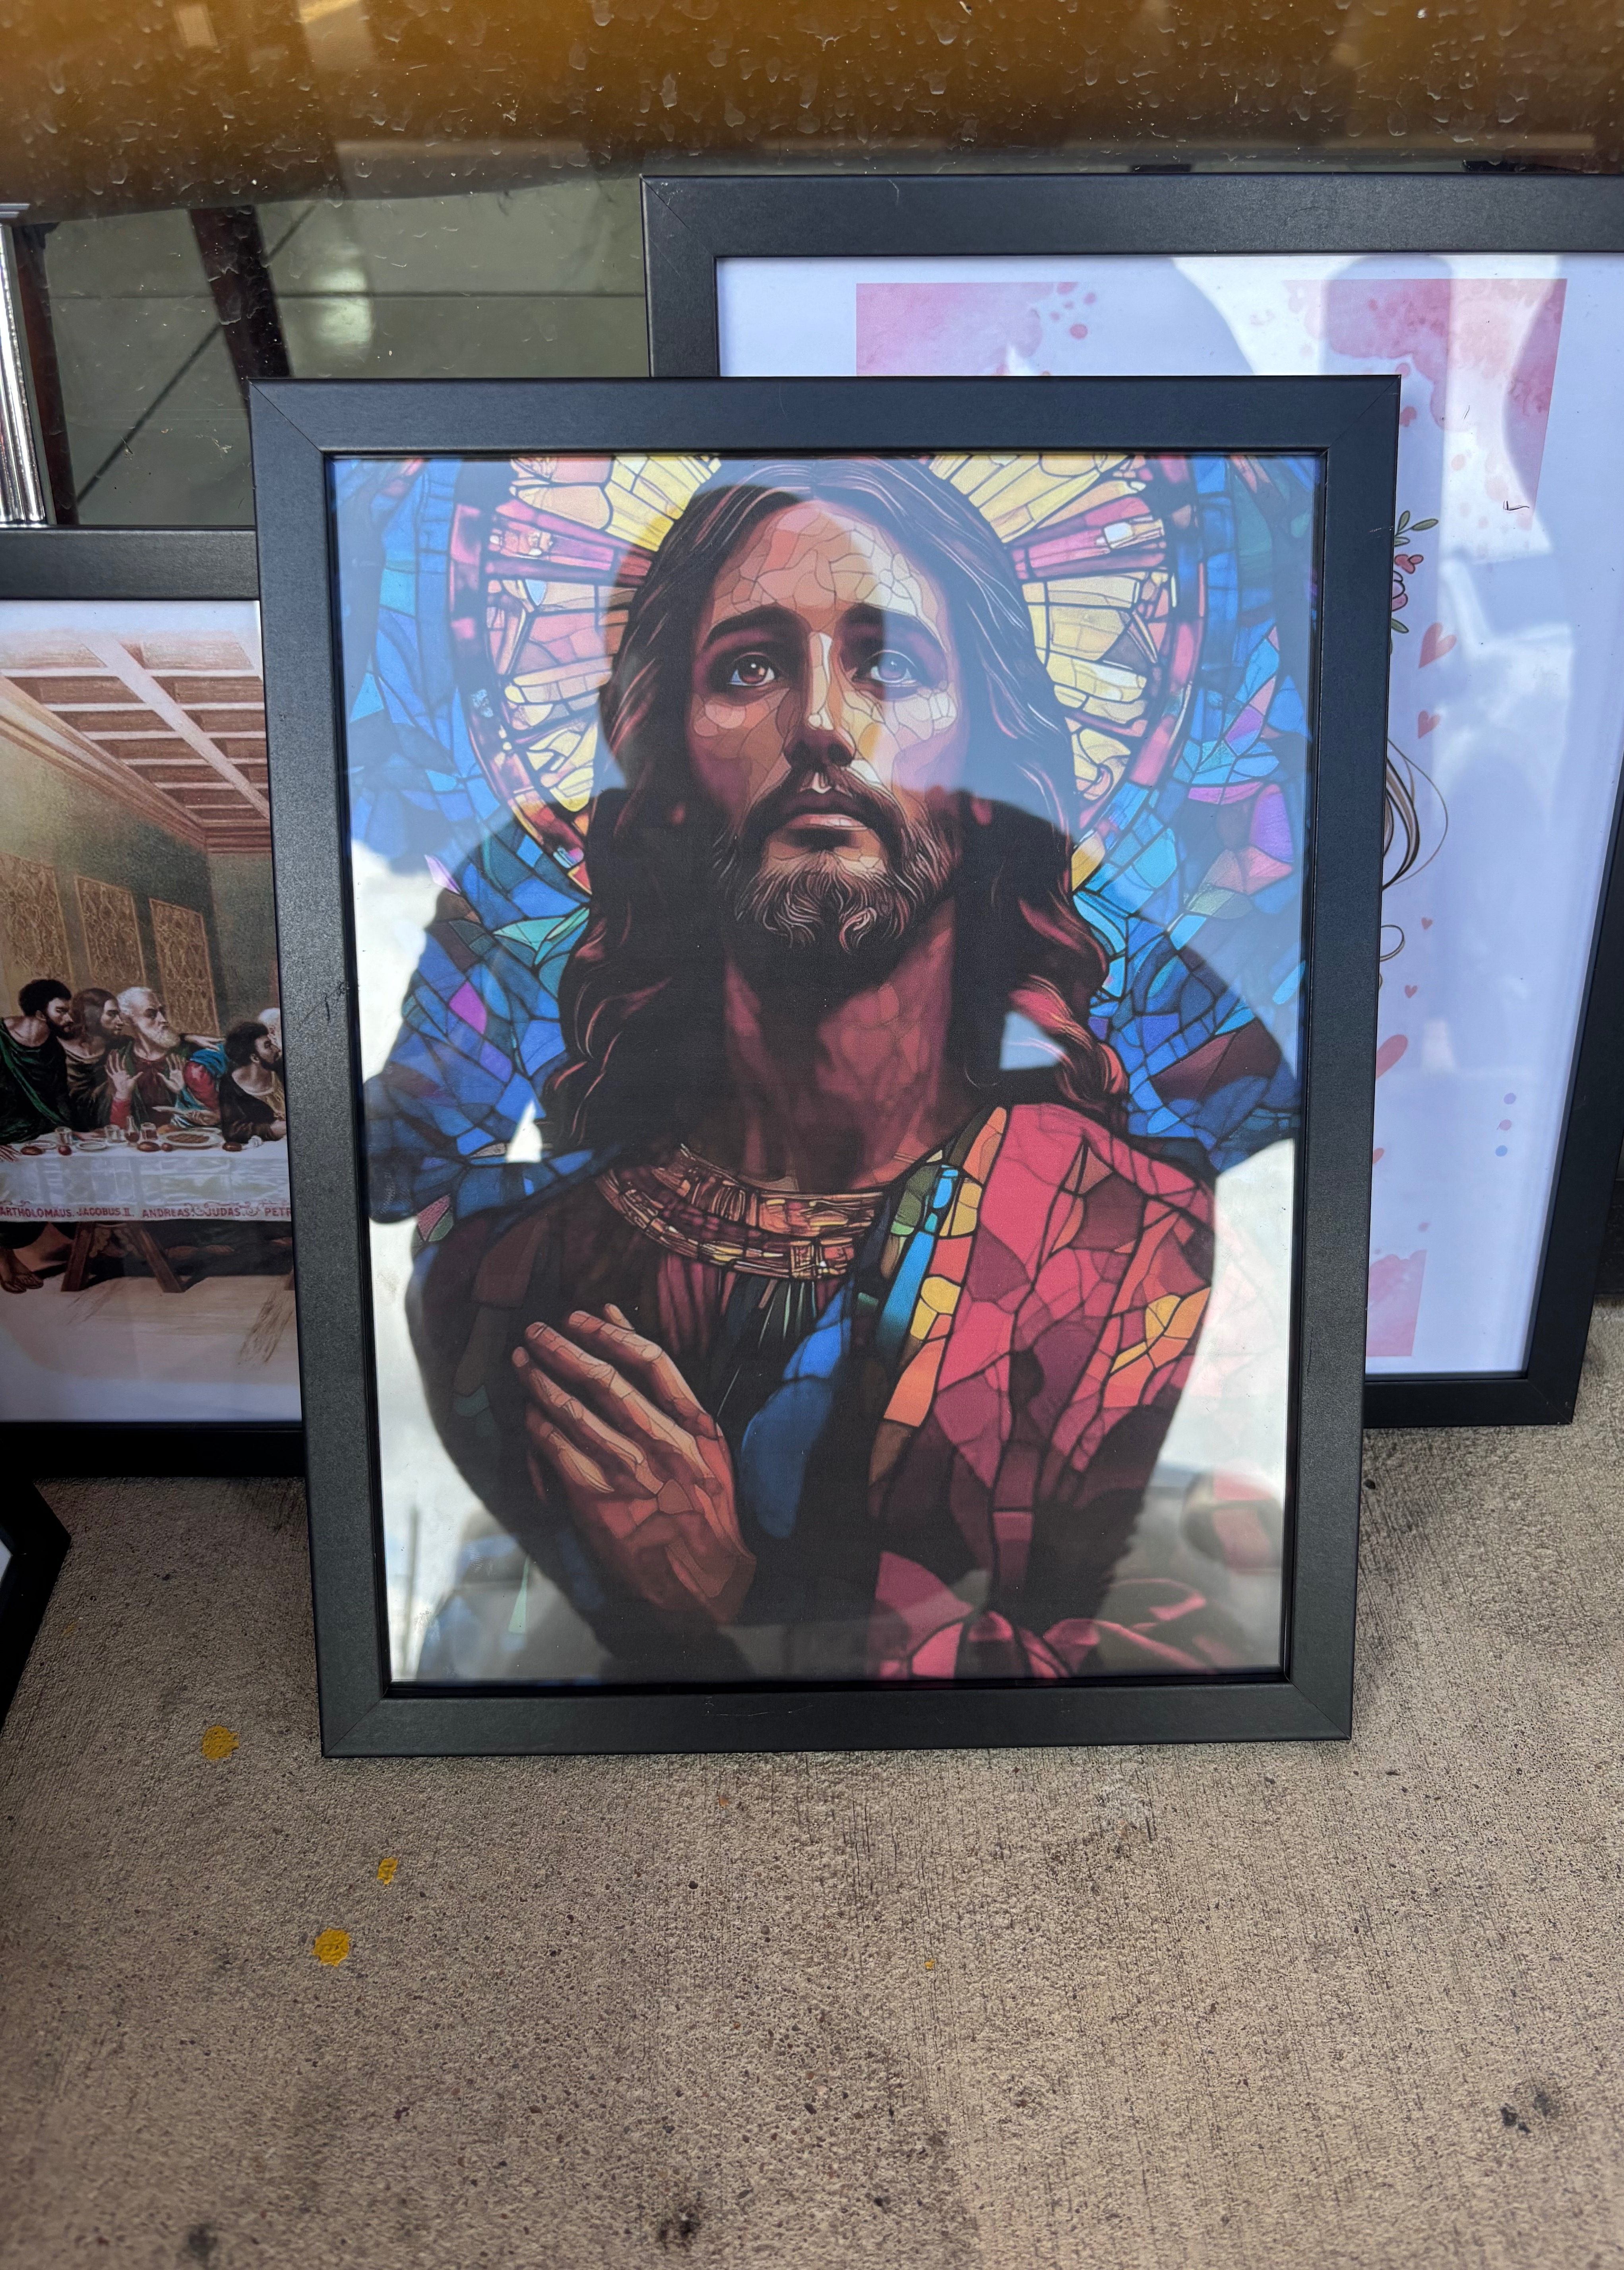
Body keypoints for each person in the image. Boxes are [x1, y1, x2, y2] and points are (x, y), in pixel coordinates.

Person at [414, 459, 1221, 1685]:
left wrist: (746, 1596)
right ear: (670, 773)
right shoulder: (507, 1268)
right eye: (748, 668)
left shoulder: (1125, 1246)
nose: (823, 726)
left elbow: (1148, 1663)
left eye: (891, 666)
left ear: (990, 776)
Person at [0, 977, 75, 1293]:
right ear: (41, 1014)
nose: (69, 1018)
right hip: (2, 1133)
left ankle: (14, 1255)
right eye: (62, 1012)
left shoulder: (52, 1049)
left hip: (37, 1129)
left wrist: (70, 1132)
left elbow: (58, 1097)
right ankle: (5, 1260)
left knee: (56, 1170)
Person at [106, 987, 220, 1133]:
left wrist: (183, 1092)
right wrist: (122, 1097)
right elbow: (116, 1130)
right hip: (142, 1143)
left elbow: (216, 1117)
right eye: (151, 1015)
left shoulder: (190, 1055)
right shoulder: (120, 1061)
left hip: (190, 1140)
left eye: (162, 1012)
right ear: (129, 1020)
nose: (164, 1020)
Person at [60, 986, 124, 1129]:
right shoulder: (59, 1051)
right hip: (70, 1132)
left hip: (110, 1130)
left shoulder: (121, 1047)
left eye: (119, 1015)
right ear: (92, 1016)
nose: (120, 1022)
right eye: (112, 1015)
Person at [217, 1020, 286, 1141]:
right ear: (255, 1058)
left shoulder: (281, 1068)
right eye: (268, 1046)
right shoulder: (231, 1086)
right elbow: (232, 1130)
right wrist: (269, 1131)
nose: (276, 1049)